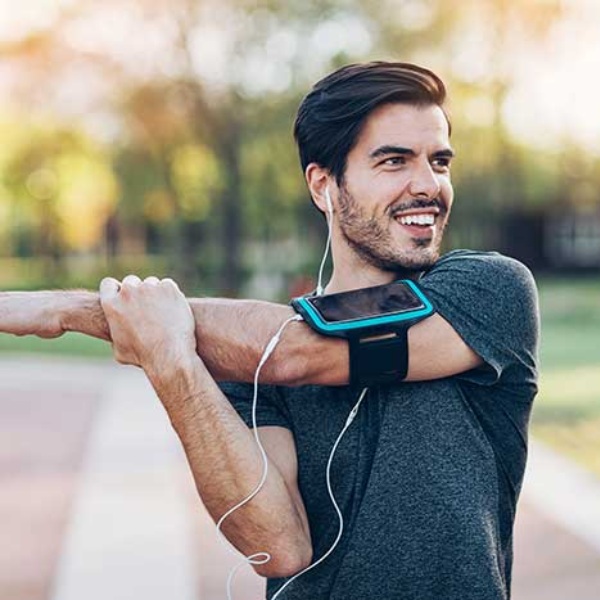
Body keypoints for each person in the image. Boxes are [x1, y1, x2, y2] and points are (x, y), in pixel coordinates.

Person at [0, 62, 539, 600]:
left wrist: (70, 309)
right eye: (394, 161)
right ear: (324, 185)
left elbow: (297, 353)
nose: (427, 184)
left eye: (439, 161)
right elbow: (278, 547)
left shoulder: (489, 290)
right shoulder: (242, 355)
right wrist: (172, 362)